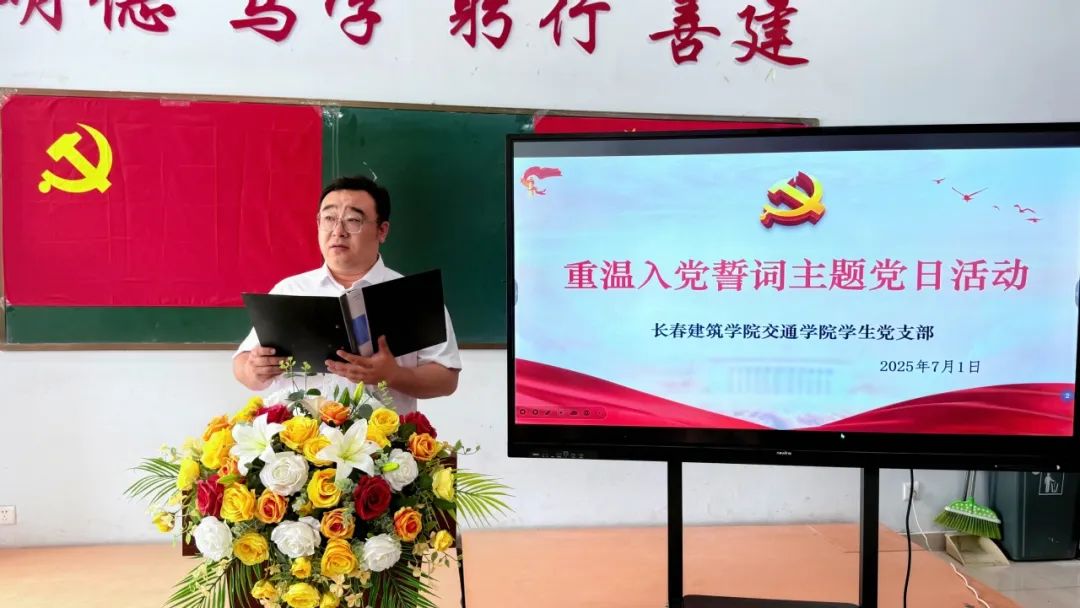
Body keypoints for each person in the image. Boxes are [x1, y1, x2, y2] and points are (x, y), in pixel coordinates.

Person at [233, 176, 461, 413]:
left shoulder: (413, 296)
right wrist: (253, 369)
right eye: (329, 219)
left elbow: (446, 378)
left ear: (382, 231)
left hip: (383, 436)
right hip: (298, 434)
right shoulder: (290, 290)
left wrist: (393, 375)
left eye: (353, 220)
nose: (338, 231)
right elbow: (242, 364)